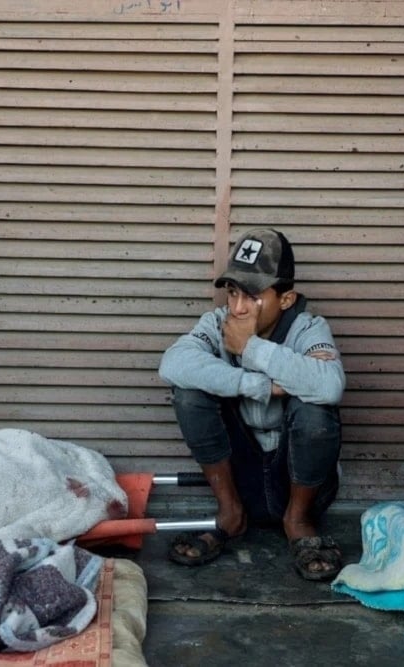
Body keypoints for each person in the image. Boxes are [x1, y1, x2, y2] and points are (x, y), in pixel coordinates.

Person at [158, 228, 346, 581]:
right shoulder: (216, 323)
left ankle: (298, 521)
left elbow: (330, 386)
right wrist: (258, 385)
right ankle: (230, 514)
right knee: (189, 392)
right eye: (232, 293)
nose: (238, 307)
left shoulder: (308, 328)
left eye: (253, 295)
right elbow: (172, 364)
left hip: (296, 481)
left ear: (285, 299)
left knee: (316, 409)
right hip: (240, 475)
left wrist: (251, 348)